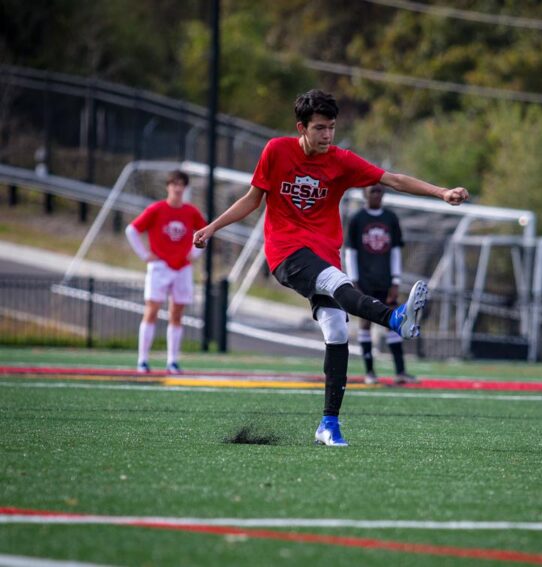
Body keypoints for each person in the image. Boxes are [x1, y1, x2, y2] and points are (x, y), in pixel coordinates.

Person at [192, 89, 468, 446]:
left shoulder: (341, 160)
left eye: (332, 128)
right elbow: (252, 198)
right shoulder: (276, 151)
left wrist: (441, 192)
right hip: (287, 252)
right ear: (301, 128)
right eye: (320, 128)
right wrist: (213, 227)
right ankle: (395, 319)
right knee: (337, 281)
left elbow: (392, 179)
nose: (327, 136)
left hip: (325, 252)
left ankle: (328, 424)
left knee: (337, 330)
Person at [125, 170, 206, 375]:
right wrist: (145, 255)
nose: (177, 188)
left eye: (181, 185)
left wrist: (194, 254)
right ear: (168, 186)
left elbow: (205, 232)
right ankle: (143, 360)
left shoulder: (191, 211)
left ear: (185, 188)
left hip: (182, 268)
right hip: (160, 266)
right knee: (151, 310)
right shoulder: (156, 209)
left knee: (177, 314)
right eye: (174, 184)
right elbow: (132, 230)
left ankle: (173, 361)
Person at [344, 184, 416, 385]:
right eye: (373, 190)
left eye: (379, 191)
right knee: (365, 323)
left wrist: (395, 280)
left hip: (385, 279)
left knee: (393, 322)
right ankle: (369, 372)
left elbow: (395, 251)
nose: (377, 194)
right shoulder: (357, 219)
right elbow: (351, 252)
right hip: (364, 280)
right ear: (365, 194)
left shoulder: (390, 218)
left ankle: (401, 371)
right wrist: (354, 280)